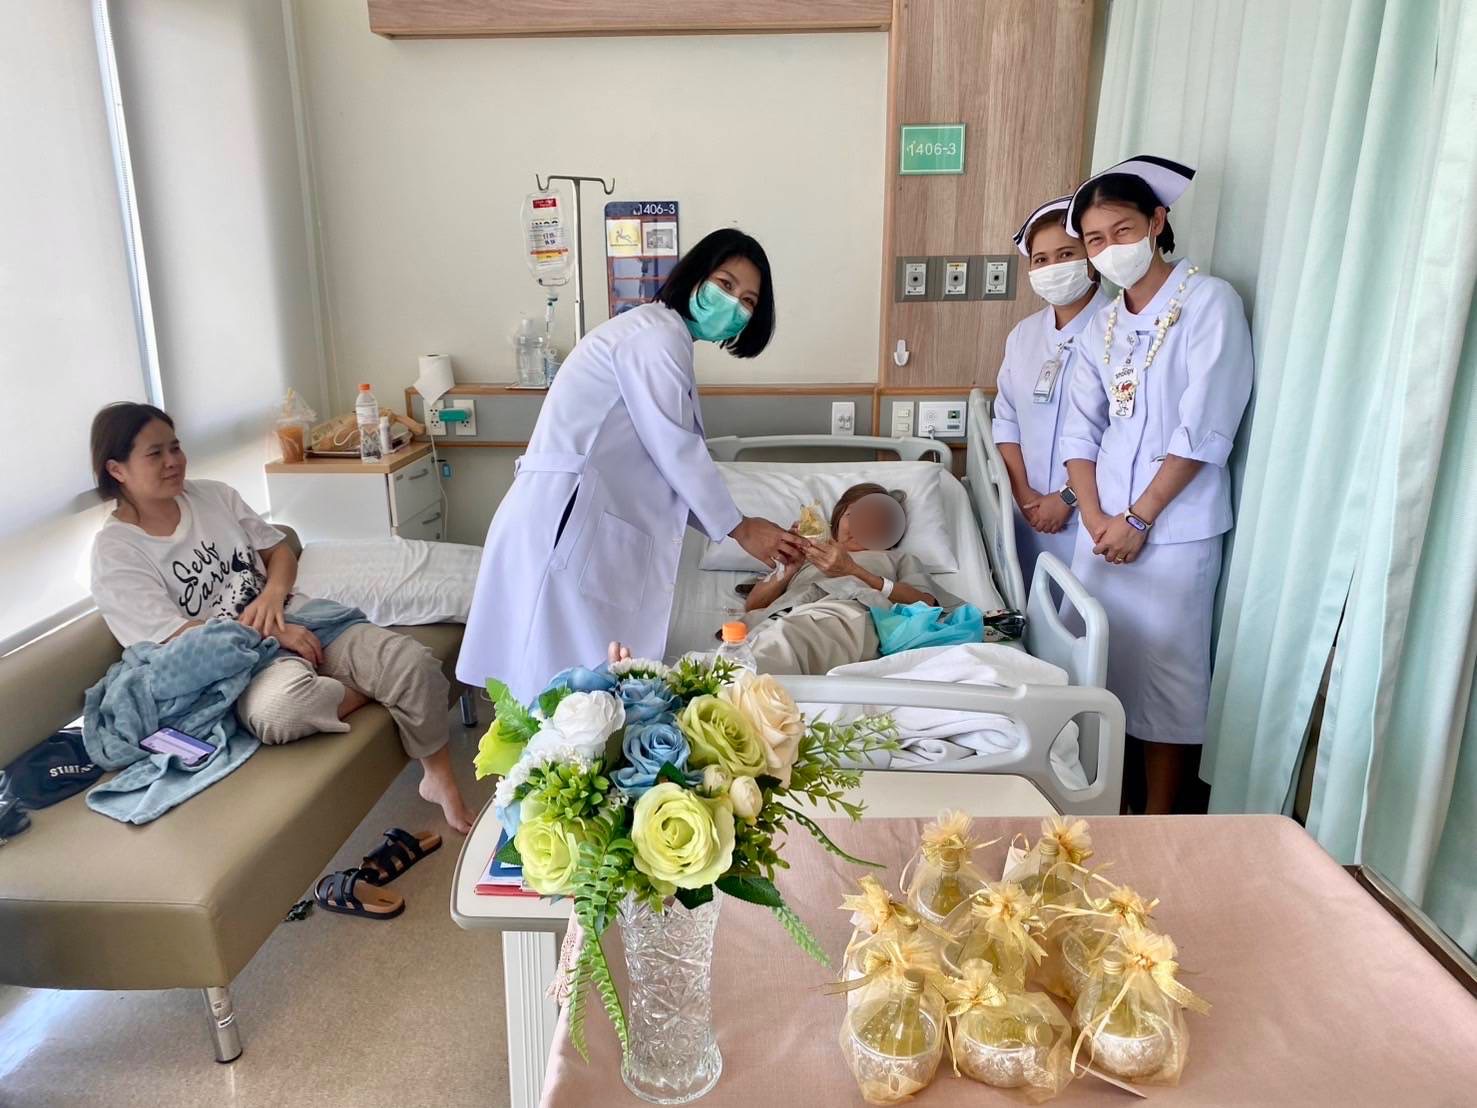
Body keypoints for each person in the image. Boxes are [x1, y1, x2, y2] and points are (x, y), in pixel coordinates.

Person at [88, 403, 474, 832]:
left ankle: (438, 778)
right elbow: (174, 638)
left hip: (301, 618)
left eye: (175, 447)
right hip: (238, 665)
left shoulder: (214, 496)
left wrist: (273, 597)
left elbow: (279, 551)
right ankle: (367, 687)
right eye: (155, 453)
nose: (173, 461)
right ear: (117, 469)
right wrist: (272, 635)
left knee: (411, 663)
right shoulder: (116, 552)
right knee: (284, 712)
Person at [458, 229, 803, 701]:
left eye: (747, 301)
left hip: (574, 519)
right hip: (564, 523)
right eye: (725, 284)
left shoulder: (662, 337)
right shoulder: (653, 336)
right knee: (562, 696)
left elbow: (665, 463)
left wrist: (735, 526)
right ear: (694, 275)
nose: (733, 305)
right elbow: (675, 448)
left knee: (565, 696)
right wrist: (740, 528)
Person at [1059, 155, 1253, 814]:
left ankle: (1160, 820)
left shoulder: (1208, 302)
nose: (1109, 248)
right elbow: (1080, 431)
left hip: (1172, 530)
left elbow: (1204, 428)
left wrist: (1139, 518)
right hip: (1101, 529)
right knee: (1099, 669)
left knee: (1168, 683)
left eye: (1121, 231)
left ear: (1156, 221)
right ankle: (1104, 809)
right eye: (1094, 240)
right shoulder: (1101, 324)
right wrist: (1094, 517)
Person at [992, 195, 1113, 592]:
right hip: (1027, 511)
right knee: (1027, 606)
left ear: (1091, 259)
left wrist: (1067, 498)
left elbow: (1119, 432)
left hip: (1093, 513)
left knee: (1082, 615)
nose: (1052, 268)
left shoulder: (1117, 329)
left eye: (1066, 254)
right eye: (1041, 259)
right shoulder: (1023, 335)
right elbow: (1006, 419)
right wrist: (1023, 494)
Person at [738, 484, 960, 675]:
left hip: (849, 612)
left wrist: (853, 571)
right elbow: (754, 606)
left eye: (878, 520)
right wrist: (788, 568)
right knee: (750, 648)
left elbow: (926, 604)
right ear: (836, 521)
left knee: (786, 640)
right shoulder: (806, 556)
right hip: (781, 616)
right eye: (855, 516)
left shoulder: (897, 558)